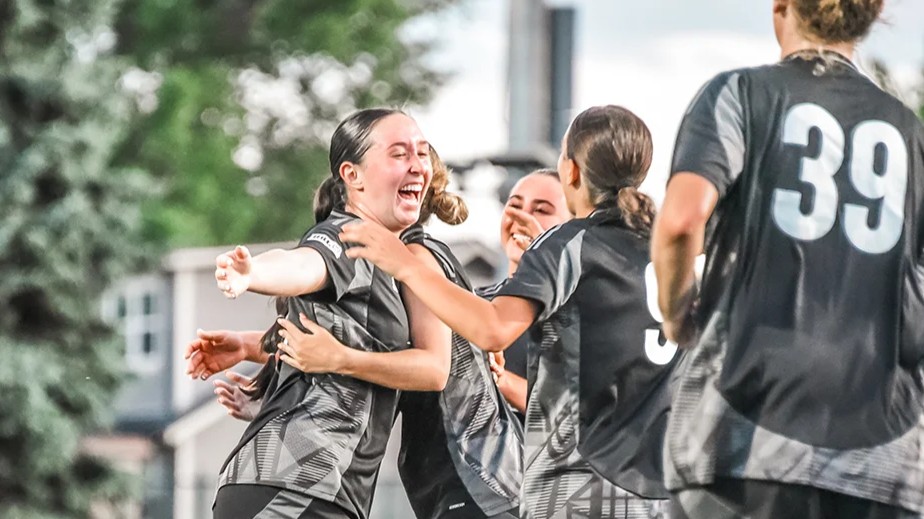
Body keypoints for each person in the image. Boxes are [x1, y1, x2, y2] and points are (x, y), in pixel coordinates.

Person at [340, 105, 680, 518]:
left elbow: (494, 328)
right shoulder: (666, 255)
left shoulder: (569, 244)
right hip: (660, 497)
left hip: (579, 488)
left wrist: (405, 263)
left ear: (570, 171)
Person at [651, 1, 924, 517]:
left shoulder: (739, 94)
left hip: (744, 438)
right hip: (881, 455)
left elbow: (681, 220)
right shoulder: (910, 132)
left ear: (781, 7)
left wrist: (675, 312)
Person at [198, 149, 523, 519]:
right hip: (466, 479)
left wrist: (253, 275)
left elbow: (431, 369)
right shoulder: (403, 269)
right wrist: (252, 349)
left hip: (479, 476)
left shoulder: (413, 257)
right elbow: (353, 335)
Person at [201, 107, 440, 519]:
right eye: (399, 154)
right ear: (353, 175)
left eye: (423, 153)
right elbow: (302, 264)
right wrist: (254, 272)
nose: (418, 165)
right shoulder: (344, 236)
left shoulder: (388, 258)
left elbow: (331, 344)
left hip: (306, 488)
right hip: (295, 487)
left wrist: (247, 345)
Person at [477, 169, 572, 417]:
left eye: (541, 210)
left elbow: (569, 411)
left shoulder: (579, 313)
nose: (522, 218)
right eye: (515, 206)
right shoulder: (474, 304)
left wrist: (500, 379)